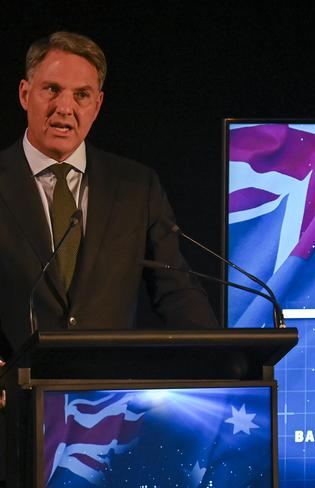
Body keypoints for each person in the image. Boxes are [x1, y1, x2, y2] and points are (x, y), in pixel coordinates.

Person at [0, 31, 220, 359]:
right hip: (12, 397)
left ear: (97, 104)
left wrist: (218, 361)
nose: (64, 108)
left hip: (106, 399)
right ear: (24, 93)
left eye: (81, 95)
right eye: (52, 90)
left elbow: (176, 290)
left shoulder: (135, 186)